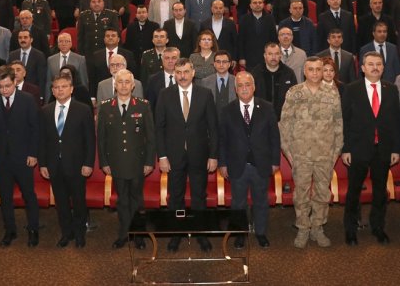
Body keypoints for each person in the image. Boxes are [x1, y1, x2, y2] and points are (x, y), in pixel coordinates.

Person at [155, 58, 218, 252]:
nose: (182, 76)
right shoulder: (165, 95)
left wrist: (213, 155)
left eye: (186, 72)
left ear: (193, 73)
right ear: (175, 74)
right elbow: (159, 128)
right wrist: (162, 156)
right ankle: (177, 234)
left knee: (199, 196)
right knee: (176, 197)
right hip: (173, 157)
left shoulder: (205, 94)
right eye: (179, 72)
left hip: (199, 154)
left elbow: (213, 128)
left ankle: (201, 234)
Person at [281, 57, 343, 248]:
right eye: (311, 70)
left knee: (323, 193)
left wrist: (335, 153)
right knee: (301, 193)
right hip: (300, 154)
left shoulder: (332, 94)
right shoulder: (294, 93)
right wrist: (289, 153)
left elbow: (338, 125)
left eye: (318, 70)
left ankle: (318, 227)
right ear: (304, 72)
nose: (315, 73)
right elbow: (285, 124)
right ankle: (303, 228)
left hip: (325, 154)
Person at [341, 51, 400, 246]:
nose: (375, 67)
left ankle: (378, 227)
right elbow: (346, 121)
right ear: (363, 68)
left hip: (382, 149)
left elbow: (395, 122)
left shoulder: (392, 89)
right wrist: (346, 149)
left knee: (380, 192)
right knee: (354, 191)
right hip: (358, 148)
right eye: (371, 64)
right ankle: (350, 230)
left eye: (379, 64)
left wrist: (395, 149)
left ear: (383, 68)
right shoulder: (351, 89)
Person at [218, 71, 280, 249]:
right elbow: (222, 140)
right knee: (238, 203)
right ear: (235, 90)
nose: (244, 89)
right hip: (237, 165)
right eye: (240, 86)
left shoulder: (267, 107)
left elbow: (274, 138)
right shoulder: (227, 110)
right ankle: (240, 234)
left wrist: (275, 161)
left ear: (254, 87)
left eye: (247, 85)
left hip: (261, 164)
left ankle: (260, 233)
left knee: (261, 200)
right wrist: (222, 163)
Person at [0, 66, 40, 247]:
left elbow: (35, 129)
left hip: (23, 156)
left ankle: (33, 230)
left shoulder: (28, 99)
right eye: (1, 87)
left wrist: (33, 153)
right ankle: (10, 230)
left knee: (29, 195)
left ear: (15, 82)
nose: (5, 90)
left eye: (8, 86)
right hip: (1, 157)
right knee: (5, 197)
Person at [98, 69, 155, 249]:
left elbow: (150, 137)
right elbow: (102, 138)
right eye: (120, 82)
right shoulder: (106, 106)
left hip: (137, 162)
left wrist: (149, 162)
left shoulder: (143, 105)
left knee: (137, 199)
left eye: (126, 82)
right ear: (115, 85)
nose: (123, 85)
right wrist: (104, 162)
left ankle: (138, 234)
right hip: (116, 163)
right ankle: (123, 234)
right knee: (122, 200)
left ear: (133, 85)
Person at [39, 73, 95, 249]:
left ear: (71, 89)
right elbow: (42, 141)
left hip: (77, 166)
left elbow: (90, 140)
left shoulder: (83, 109)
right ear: (52, 91)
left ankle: (79, 234)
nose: (60, 90)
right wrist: (43, 164)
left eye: (64, 86)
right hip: (54, 166)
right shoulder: (45, 110)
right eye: (56, 87)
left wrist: (88, 163)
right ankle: (66, 233)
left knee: (79, 202)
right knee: (61, 203)